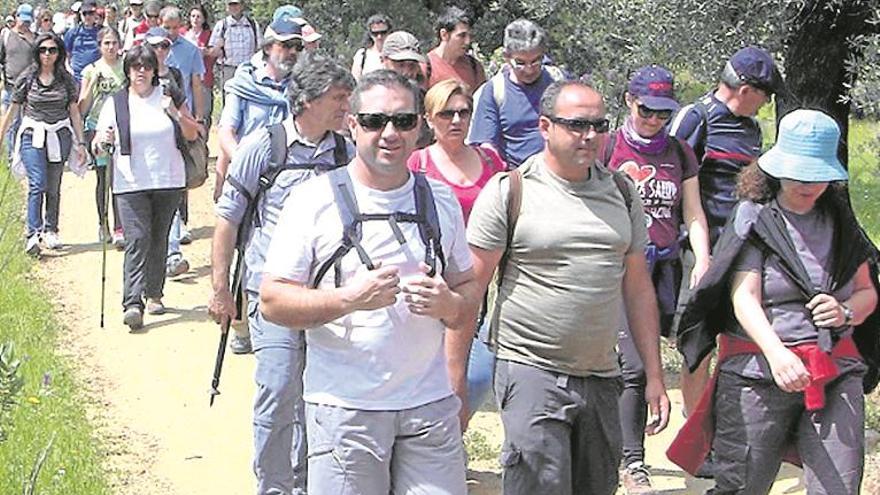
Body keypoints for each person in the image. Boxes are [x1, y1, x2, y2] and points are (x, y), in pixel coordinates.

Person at [259, 69, 477, 494]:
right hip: (345, 411)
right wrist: (348, 300)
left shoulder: (440, 198)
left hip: (428, 406)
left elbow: (469, 289)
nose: (390, 133)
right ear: (352, 125)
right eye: (376, 121)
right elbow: (272, 301)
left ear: (420, 128)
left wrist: (449, 304)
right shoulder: (312, 200)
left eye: (403, 121)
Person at [466, 81, 671, 494]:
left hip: (601, 374)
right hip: (530, 368)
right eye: (577, 125)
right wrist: (455, 379)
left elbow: (637, 288)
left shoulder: (622, 192)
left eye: (599, 124)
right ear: (545, 126)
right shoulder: (511, 191)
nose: (590, 136)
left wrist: (654, 374)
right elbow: (471, 291)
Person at [669, 109, 879, 494]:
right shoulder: (754, 217)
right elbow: (743, 297)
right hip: (757, 372)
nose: (808, 185)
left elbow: (868, 294)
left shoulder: (840, 218)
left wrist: (845, 311)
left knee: (840, 487)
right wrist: (778, 354)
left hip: (834, 371)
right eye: (799, 175)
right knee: (742, 485)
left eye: (817, 177)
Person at [211, 52, 355, 495]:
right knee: (277, 390)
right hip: (269, 293)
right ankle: (273, 486)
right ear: (307, 100)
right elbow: (228, 219)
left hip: (327, 298)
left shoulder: (344, 151)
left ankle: (306, 481)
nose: (345, 106)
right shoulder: (263, 147)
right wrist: (220, 289)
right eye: (338, 98)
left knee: (319, 396)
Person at [603, 65, 710, 494]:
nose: (654, 120)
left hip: (666, 267)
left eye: (663, 113)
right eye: (647, 110)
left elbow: (693, 211)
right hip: (622, 270)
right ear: (630, 101)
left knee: (691, 350)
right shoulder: (608, 147)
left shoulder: (681, 152)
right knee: (634, 367)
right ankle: (632, 463)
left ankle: (695, 443)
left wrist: (702, 257)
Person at [668, 46, 782, 438]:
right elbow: (671, 177)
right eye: (764, 95)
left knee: (735, 337)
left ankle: (724, 426)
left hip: (741, 248)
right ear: (746, 89)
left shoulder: (752, 129)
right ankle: (694, 433)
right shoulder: (694, 117)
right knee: (697, 342)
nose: (765, 104)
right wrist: (695, 250)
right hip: (697, 249)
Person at [406, 79, 505, 429]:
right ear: (429, 118)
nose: (456, 120)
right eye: (447, 113)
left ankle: (451, 437)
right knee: (433, 371)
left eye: (464, 112)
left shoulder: (490, 161)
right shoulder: (416, 163)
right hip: (430, 283)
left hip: (478, 286)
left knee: (475, 372)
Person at [93, 44, 199, 330]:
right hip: (130, 182)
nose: (141, 71)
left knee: (158, 238)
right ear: (127, 70)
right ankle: (132, 303)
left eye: (147, 66)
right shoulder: (116, 102)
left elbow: (192, 133)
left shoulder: (168, 95)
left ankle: (154, 294)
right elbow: (100, 138)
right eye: (136, 66)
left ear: (154, 70)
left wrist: (175, 114)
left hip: (168, 179)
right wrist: (102, 141)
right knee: (137, 238)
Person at [214, 16, 303, 354]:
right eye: (285, 45)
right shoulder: (243, 83)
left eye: (296, 46)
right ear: (268, 48)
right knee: (240, 249)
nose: (292, 52)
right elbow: (226, 132)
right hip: (249, 178)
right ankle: (240, 322)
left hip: (291, 182)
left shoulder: (303, 87)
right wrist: (246, 167)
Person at [0, 32, 87, 255]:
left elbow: (74, 112)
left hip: (59, 134)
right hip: (33, 134)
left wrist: (81, 143)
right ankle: (33, 233)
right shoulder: (27, 77)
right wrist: (1, 135)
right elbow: (13, 109)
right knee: (37, 183)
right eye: (43, 50)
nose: (47, 54)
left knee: (53, 185)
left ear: (59, 53)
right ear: (36, 53)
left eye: (52, 50)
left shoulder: (66, 79)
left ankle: (51, 228)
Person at [468, 19, 566, 169]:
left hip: (561, 171)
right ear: (507, 58)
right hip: (519, 176)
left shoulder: (558, 80)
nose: (529, 69)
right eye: (520, 63)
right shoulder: (494, 91)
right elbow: (486, 146)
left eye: (535, 61)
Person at [78, 26, 125, 245]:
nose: (111, 47)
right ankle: (102, 222)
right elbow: (82, 106)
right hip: (97, 129)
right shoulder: (90, 70)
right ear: (100, 46)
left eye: (114, 42)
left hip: (122, 128)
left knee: (120, 178)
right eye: (106, 43)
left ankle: (119, 226)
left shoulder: (127, 67)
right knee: (103, 178)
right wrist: (92, 85)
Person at [0, 4, 36, 160]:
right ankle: (11, 157)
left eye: (28, 21)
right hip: (11, 87)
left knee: (26, 125)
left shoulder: (35, 38)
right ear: (16, 17)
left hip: (29, 89)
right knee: (10, 124)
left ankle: (24, 156)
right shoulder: (5, 35)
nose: (25, 24)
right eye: (23, 20)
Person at [426, 6, 485, 92]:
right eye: (462, 35)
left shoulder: (475, 67)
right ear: (444, 35)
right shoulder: (427, 67)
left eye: (470, 36)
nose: (467, 42)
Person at [209, 0, 261, 87]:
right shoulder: (222, 25)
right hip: (229, 70)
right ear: (227, 7)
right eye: (231, 4)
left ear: (242, 6)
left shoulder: (253, 24)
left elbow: (260, 49)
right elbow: (212, 53)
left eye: (236, 4)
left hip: (249, 70)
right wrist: (218, 46)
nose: (233, 7)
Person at [182, 5, 214, 127]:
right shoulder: (182, 34)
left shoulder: (209, 35)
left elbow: (216, 53)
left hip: (204, 78)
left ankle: (202, 141)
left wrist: (205, 51)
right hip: (185, 79)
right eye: (193, 16)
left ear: (204, 19)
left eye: (198, 16)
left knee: (204, 113)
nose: (195, 19)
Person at [63, 0, 101, 84]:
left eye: (90, 13)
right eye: (84, 13)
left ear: (95, 13)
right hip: (77, 77)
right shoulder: (72, 33)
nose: (87, 16)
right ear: (80, 14)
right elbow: (66, 55)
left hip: (97, 77)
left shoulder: (101, 32)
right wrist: (69, 69)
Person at [350, 13, 390, 80]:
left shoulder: (397, 54)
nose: (379, 37)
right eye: (375, 33)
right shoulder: (362, 55)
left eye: (383, 32)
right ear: (370, 34)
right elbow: (355, 82)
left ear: (389, 32)